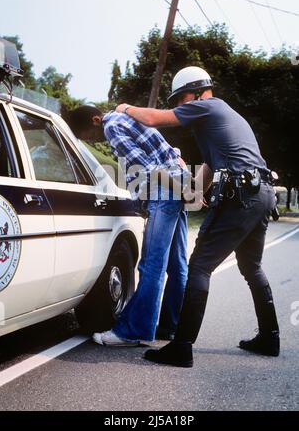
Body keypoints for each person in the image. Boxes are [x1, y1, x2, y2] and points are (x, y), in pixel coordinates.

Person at [115, 66, 280, 366]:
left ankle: (182, 347)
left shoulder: (208, 106)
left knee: (199, 266)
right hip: (263, 192)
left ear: (197, 92)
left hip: (242, 194)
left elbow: (153, 119)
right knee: (251, 265)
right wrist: (193, 192)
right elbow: (210, 164)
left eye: (181, 98)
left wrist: (124, 107)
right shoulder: (221, 116)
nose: (179, 105)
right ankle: (270, 337)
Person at [68, 105, 190, 345]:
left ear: (95, 120)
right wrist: (186, 187)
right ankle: (169, 326)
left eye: (89, 136)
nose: (94, 141)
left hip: (165, 191)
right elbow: (172, 154)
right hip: (179, 186)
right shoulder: (129, 117)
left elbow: (149, 170)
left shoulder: (111, 126)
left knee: (151, 265)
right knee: (177, 265)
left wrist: (178, 189)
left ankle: (135, 330)